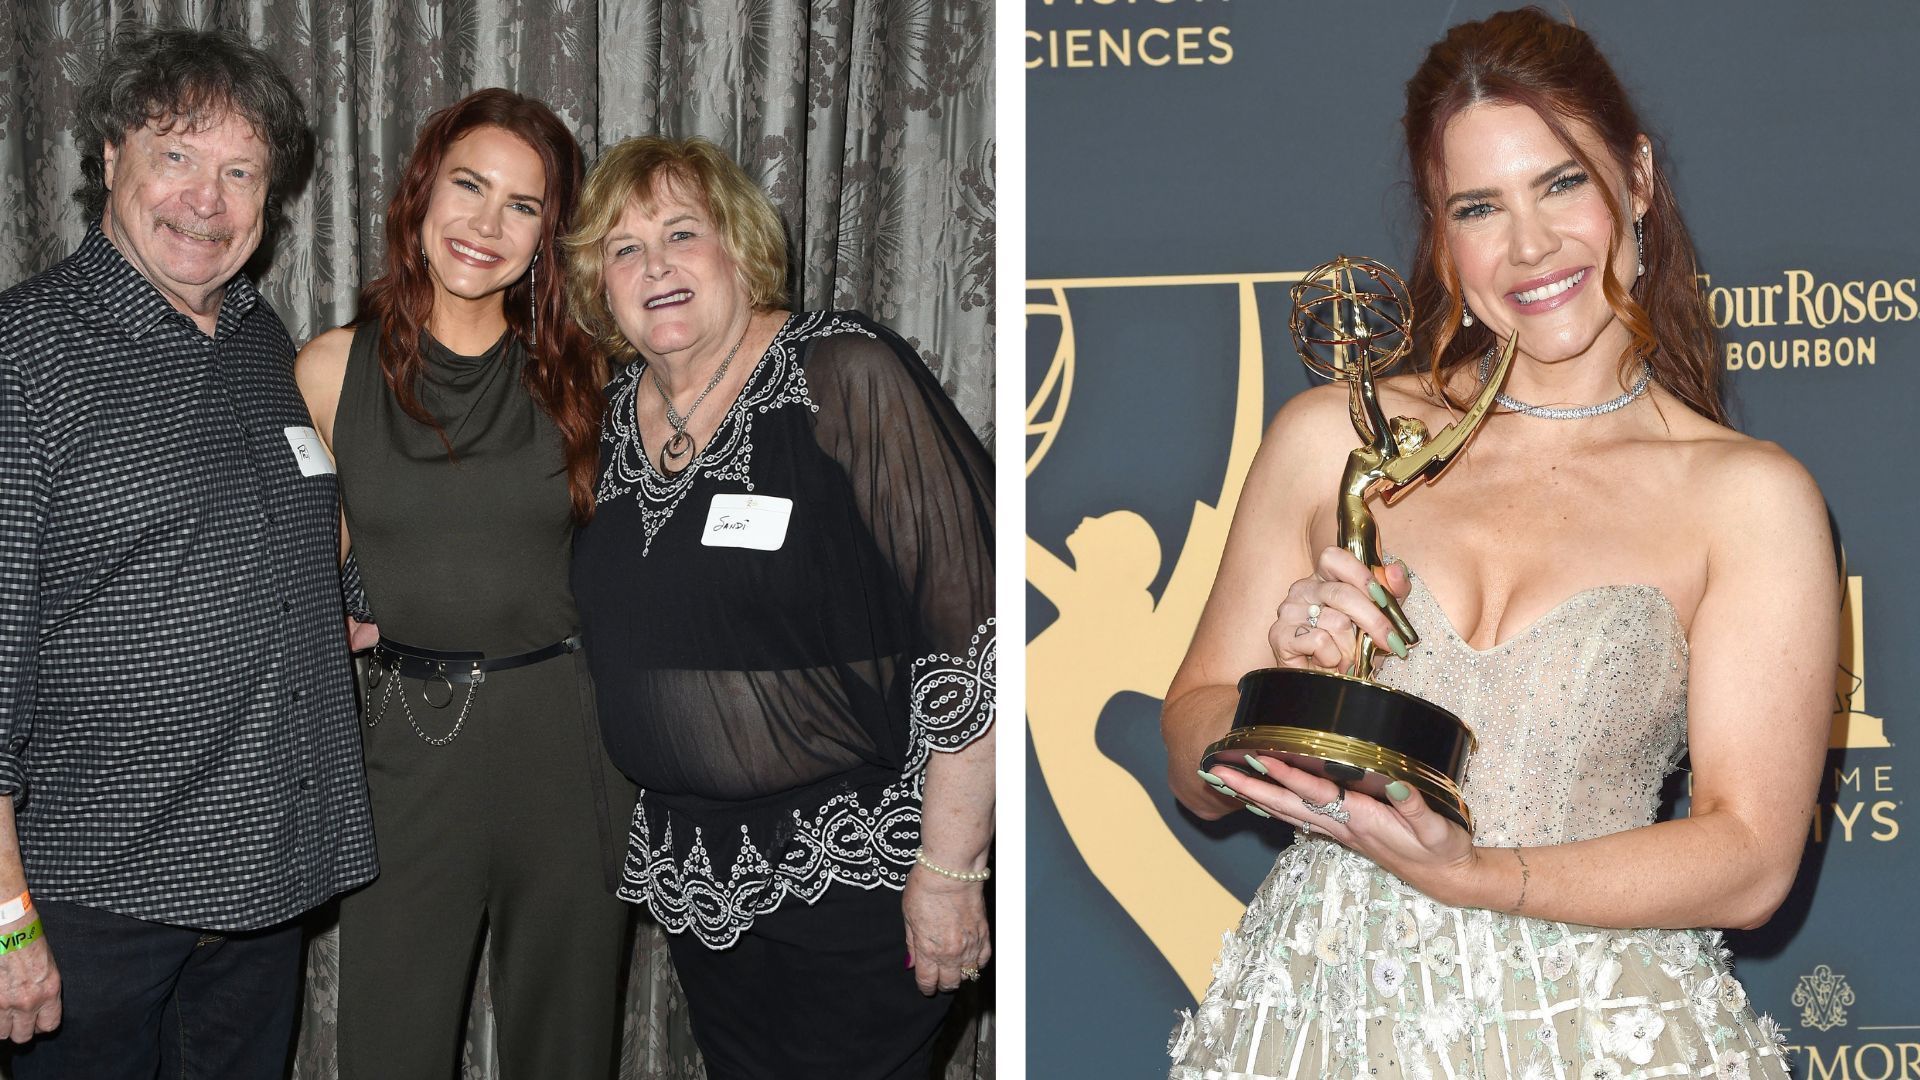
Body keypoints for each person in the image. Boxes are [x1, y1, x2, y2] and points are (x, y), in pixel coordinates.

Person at [1162, 9, 1833, 1079]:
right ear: (1440, 233)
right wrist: (1279, 700)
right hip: (1321, 1023)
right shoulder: (1334, 439)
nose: (1529, 246)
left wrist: (1477, 874)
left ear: (1637, 179)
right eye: (1480, 206)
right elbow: (1193, 758)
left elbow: (1751, 859)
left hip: (1603, 1032)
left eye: (1561, 184)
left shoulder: (1748, 497)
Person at [565, 136, 995, 1079]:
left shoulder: (842, 371)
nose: (655, 266)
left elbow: (978, 643)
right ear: (600, 284)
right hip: (697, 882)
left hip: (854, 874)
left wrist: (950, 869)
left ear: (741, 246)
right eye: (625, 249)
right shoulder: (604, 418)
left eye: (682, 233)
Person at [0, 24, 377, 1078]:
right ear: (109, 156)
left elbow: (292, 537)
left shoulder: (261, 339)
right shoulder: (23, 354)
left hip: (262, 889)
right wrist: (6, 920)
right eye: (177, 156)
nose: (206, 200)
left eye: (240, 171)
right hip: (93, 902)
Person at [292, 89, 631, 1078]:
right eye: (468, 186)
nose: (486, 224)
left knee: (566, 1047)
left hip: (568, 740)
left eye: (522, 205)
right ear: (421, 193)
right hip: (408, 741)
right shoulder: (330, 369)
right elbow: (305, 567)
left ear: (548, 235)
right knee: (387, 1047)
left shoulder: (593, 374)